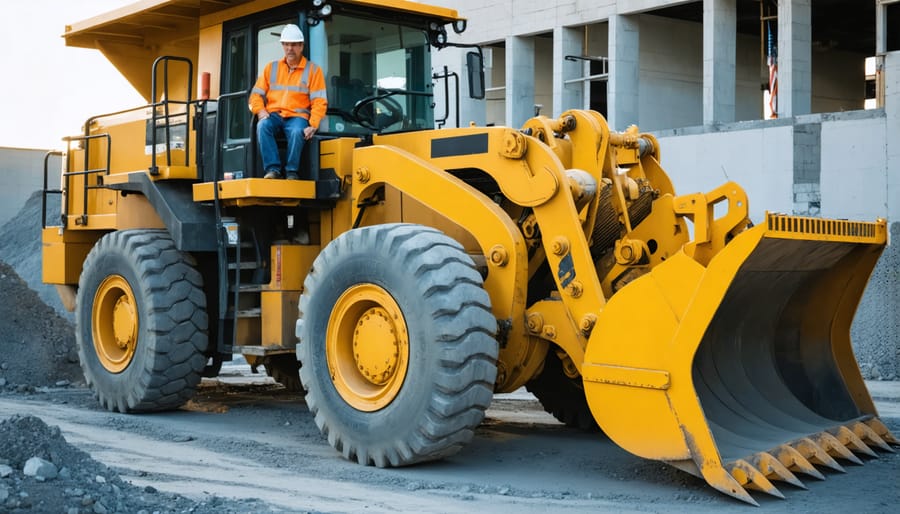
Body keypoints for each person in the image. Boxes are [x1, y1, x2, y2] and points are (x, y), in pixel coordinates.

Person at [249, 24, 327, 180]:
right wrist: (260, 111)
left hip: (298, 117)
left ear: (301, 46)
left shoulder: (313, 70)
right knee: (262, 126)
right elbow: (255, 95)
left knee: (297, 131)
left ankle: (291, 171)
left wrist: (313, 124)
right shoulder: (271, 68)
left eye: (294, 45)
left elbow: (319, 101)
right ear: (282, 46)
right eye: (286, 44)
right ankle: (273, 170)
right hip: (274, 115)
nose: (290, 48)